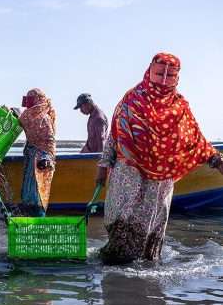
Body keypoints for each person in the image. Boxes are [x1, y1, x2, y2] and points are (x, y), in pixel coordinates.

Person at [95, 52, 223, 265]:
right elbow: (114, 137)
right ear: (149, 71)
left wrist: (216, 160)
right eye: (159, 73)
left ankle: (147, 284)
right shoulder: (132, 98)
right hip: (129, 174)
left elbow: (194, 139)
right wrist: (103, 165)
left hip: (161, 180)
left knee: (152, 226)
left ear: (177, 78)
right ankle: (115, 276)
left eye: (170, 75)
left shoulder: (180, 107)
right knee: (123, 220)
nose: (164, 79)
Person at [18, 88, 56, 217]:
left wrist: (47, 158)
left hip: (42, 161)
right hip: (31, 157)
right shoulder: (28, 115)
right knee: (28, 194)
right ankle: (29, 223)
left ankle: (40, 223)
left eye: (31, 99)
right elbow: (20, 119)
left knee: (39, 194)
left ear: (38, 100)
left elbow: (50, 141)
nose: (29, 103)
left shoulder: (44, 118)